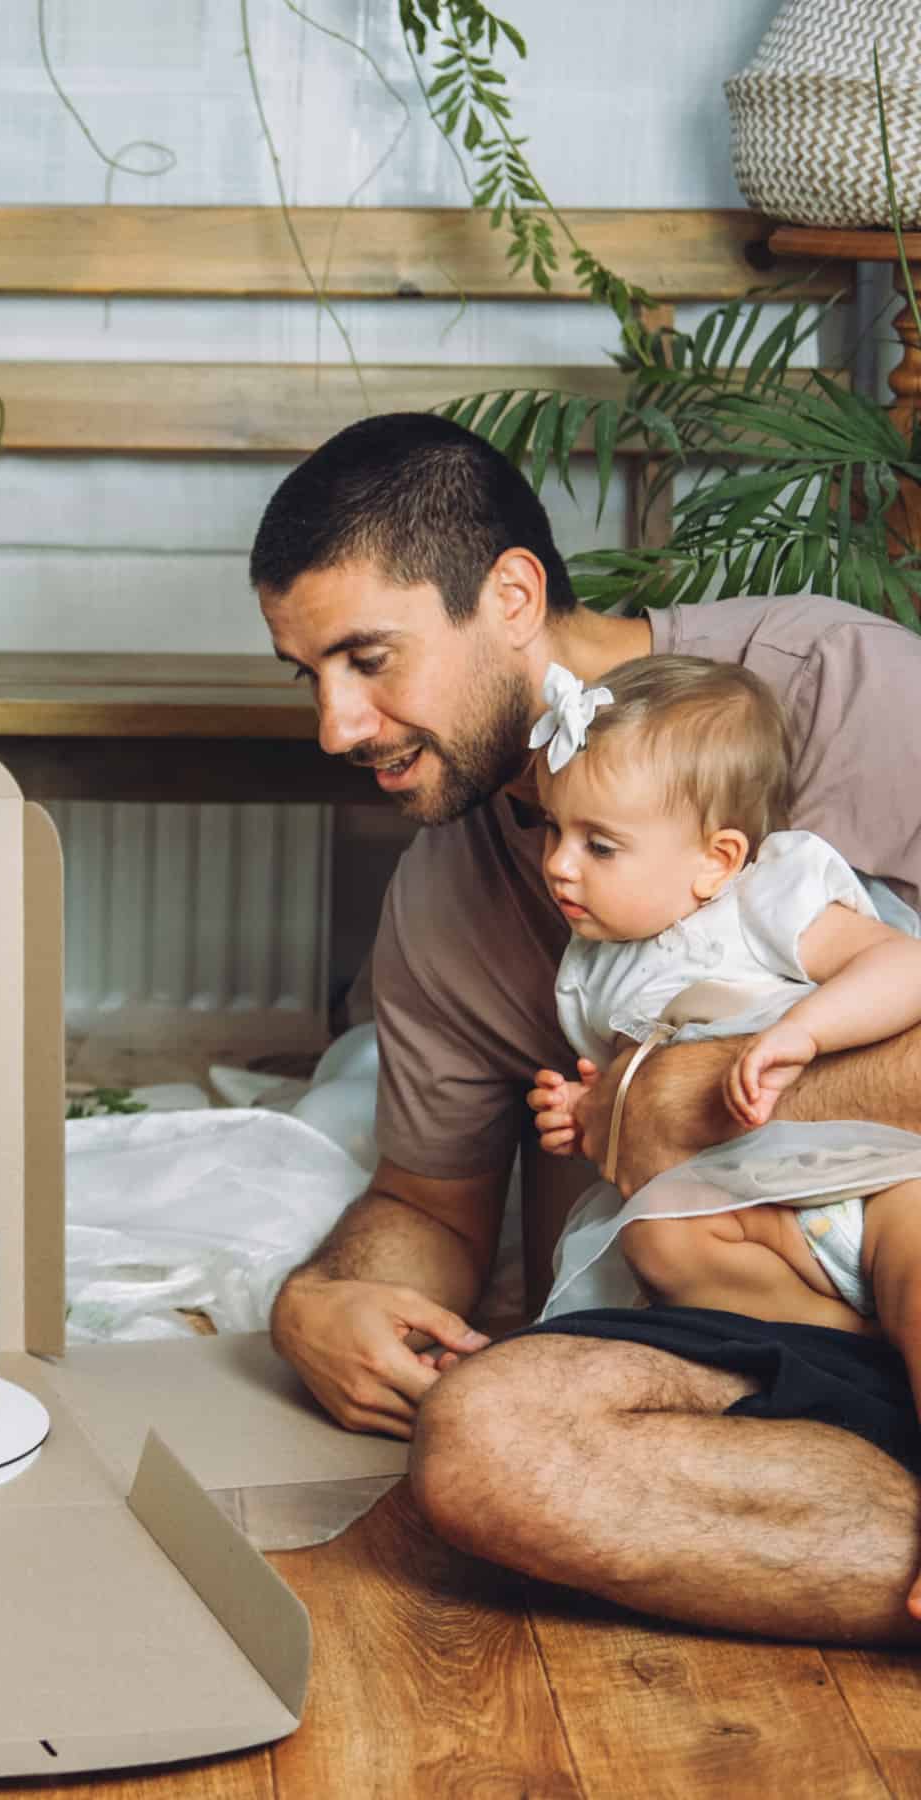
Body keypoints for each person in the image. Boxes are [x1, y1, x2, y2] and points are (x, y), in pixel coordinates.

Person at [249, 409, 921, 1641]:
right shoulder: (445, 897)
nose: (335, 727)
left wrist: (688, 1094)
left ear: (510, 595)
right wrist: (321, 1303)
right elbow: (430, 1203)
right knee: (484, 1446)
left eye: (368, 659)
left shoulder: (840, 694)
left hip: (905, 1230)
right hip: (764, 1324)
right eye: (311, 676)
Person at [522, 654, 921, 1403]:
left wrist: (805, 1031)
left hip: (871, 1181)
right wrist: (584, 1116)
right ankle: (851, 1344)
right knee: (655, 1236)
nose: (560, 866)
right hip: (757, 1227)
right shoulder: (594, 968)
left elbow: (904, 967)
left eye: (598, 845)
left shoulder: (765, 898)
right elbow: (638, 1117)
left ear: (718, 860)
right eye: (553, 829)